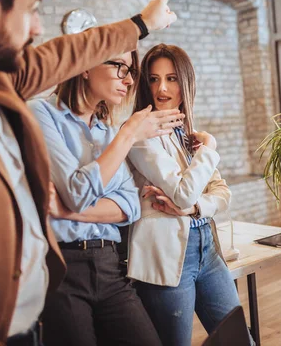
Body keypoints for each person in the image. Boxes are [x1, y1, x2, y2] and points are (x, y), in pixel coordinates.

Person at [0, 0, 177, 344]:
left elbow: (67, 54)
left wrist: (141, 24)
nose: (38, 28)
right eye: (31, 10)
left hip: (33, 311)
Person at [29, 49, 183, 345]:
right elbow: (77, 192)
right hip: (62, 267)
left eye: (131, 72)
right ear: (85, 67)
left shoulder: (107, 133)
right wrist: (128, 135)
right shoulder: (41, 114)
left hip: (109, 265)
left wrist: (66, 211)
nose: (127, 80)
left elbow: (130, 206)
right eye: (119, 67)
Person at [127, 44, 252, 346]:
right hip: (168, 259)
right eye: (154, 79)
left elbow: (221, 193)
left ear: (185, 82)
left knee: (239, 340)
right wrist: (209, 150)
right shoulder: (139, 136)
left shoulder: (187, 132)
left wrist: (195, 207)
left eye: (171, 79)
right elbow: (183, 193)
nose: (162, 88)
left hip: (207, 250)